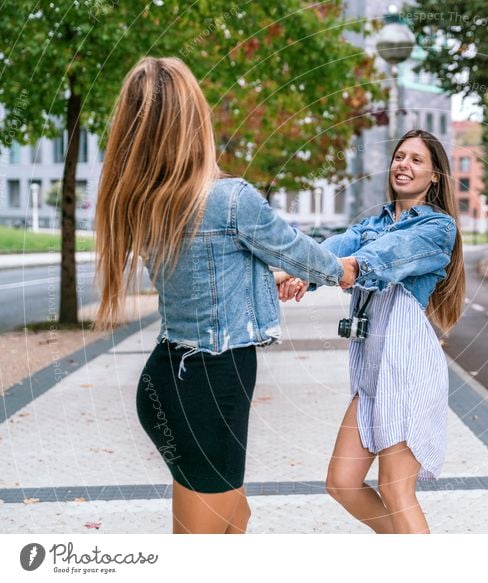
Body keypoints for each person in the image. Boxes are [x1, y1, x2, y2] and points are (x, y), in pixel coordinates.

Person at [94, 57, 357, 534]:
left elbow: (204, 276)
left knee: (235, 522)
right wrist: (351, 269)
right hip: (208, 388)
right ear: (193, 122)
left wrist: (265, 281)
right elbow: (302, 254)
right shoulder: (231, 199)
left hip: (179, 380)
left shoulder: (146, 200)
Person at [278, 129, 466, 533]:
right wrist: (297, 272)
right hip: (372, 367)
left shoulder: (437, 228)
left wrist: (347, 269)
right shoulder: (373, 223)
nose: (404, 164)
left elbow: (384, 258)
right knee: (342, 483)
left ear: (435, 175)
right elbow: (331, 249)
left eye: (417, 159)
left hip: (407, 365)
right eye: (400, 157)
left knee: (396, 491)